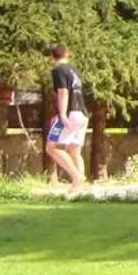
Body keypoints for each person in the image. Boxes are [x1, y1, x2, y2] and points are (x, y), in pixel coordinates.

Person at [43, 43, 89, 188]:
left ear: (52, 56)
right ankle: (79, 188)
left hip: (71, 114)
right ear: (67, 54)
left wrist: (62, 114)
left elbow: (63, 92)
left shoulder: (58, 70)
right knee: (74, 149)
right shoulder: (75, 70)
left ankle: (76, 177)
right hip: (83, 114)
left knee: (51, 148)